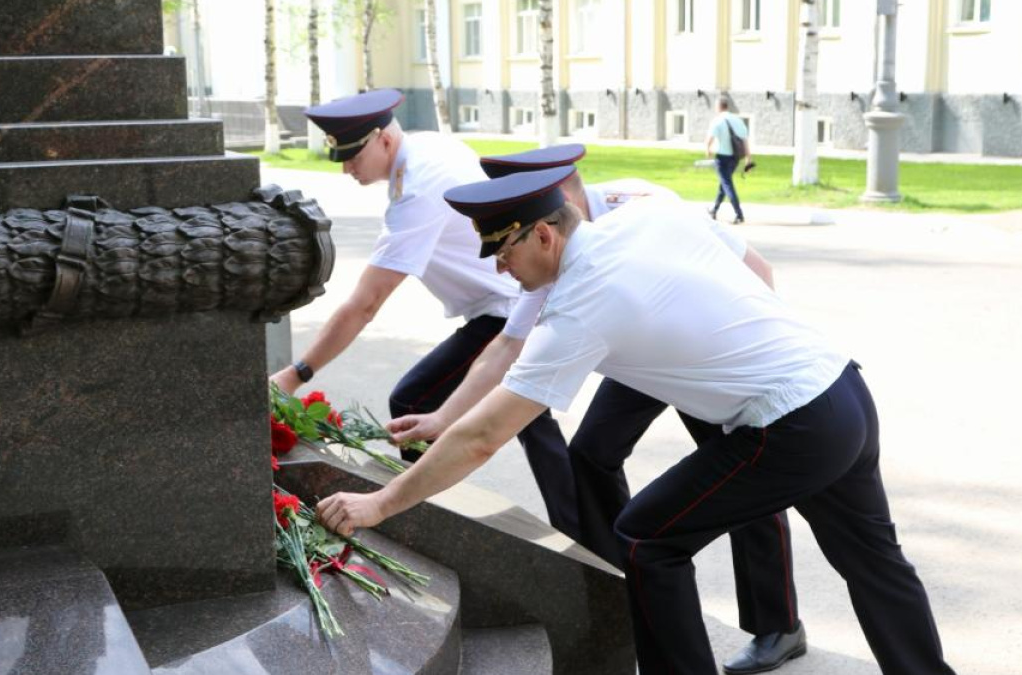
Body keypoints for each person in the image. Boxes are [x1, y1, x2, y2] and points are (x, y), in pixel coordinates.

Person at [317, 166, 958, 675]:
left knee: (649, 538)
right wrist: (441, 416)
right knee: (875, 561)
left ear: (545, 234)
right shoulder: (645, 214)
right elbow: (753, 272)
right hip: (841, 388)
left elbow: (486, 437)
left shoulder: (584, 301)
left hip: (789, 426)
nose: (496, 268)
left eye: (502, 250)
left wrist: (381, 505)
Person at [387, 145, 804, 673]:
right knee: (591, 452)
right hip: (641, 359)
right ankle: (624, 583)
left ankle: (778, 622)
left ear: (555, 199)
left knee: (746, 473)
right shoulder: (552, 250)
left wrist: (749, 355)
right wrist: (445, 417)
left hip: (700, 352)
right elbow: (506, 347)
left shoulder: (641, 205)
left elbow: (752, 273)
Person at [268, 89, 577, 538]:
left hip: (508, 308)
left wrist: (297, 373)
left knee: (415, 403)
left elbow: (366, 304)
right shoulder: (422, 149)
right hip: (507, 305)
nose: (346, 166)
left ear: (384, 141)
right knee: (531, 420)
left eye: (352, 155)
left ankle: (424, 521)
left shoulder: (419, 185)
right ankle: (580, 532)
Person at [706, 97, 750, 224]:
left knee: (727, 184)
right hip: (735, 157)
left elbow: (710, 139)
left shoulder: (717, 120)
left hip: (722, 157)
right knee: (724, 184)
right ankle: (714, 210)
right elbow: (744, 141)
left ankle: (739, 214)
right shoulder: (737, 120)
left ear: (719, 107)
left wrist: (708, 150)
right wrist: (748, 158)